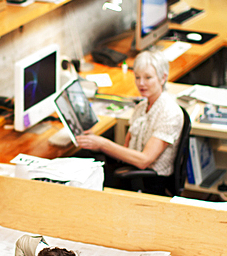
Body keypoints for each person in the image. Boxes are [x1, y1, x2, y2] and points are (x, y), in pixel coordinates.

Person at [75, 49, 183, 188]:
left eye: (148, 78)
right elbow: (126, 148)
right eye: (137, 77)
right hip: (132, 168)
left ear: (163, 78)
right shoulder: (141, 107)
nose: (141, 83)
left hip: (150, 181)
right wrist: (95, 142)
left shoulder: (169, 112)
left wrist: (102, 144)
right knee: (85, 158)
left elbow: (144, 160)